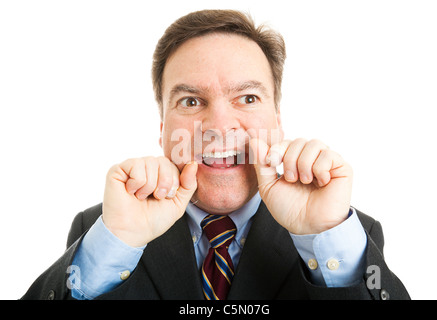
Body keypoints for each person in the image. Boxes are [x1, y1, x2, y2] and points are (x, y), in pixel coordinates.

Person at [22, 9, 409, 300]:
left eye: (248, 97)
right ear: (162, 129)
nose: (220, 126)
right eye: (191, 101)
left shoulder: (344, 234)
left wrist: (327, 237)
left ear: (277, 120)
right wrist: (115, 245)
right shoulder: (103, 230)